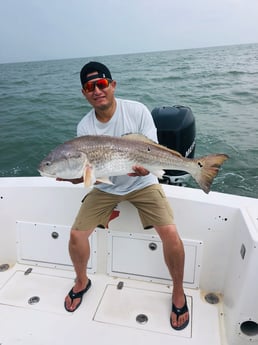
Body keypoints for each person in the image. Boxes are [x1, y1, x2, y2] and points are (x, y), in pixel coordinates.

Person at [62, 61, 189, 331]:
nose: (97, 90)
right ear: (84, 93)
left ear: (112, 85)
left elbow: (151, 151)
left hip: (142, 181)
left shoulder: (137, 110)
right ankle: (82, 281)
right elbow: (92, 174)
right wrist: (76, 176)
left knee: (170, 233)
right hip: (106, 187)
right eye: (89, 87)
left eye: (102, 84)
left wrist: (145, 168)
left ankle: (178, 291)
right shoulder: (85, 127)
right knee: (75, 235)